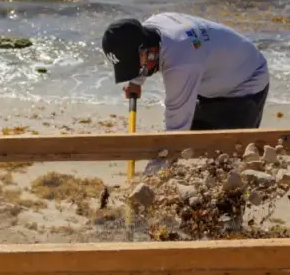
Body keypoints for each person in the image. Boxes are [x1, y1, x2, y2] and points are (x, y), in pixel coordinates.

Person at [101, 13, 270, 169]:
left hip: (246, 81)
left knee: (228, 159)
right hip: (215, 74)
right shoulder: (150, 28)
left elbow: (176, 133)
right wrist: (136, 82)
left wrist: (149, 179)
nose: (136, 71)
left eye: (135, 67)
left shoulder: (181, 64)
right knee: (199, 144)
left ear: (145, 50)